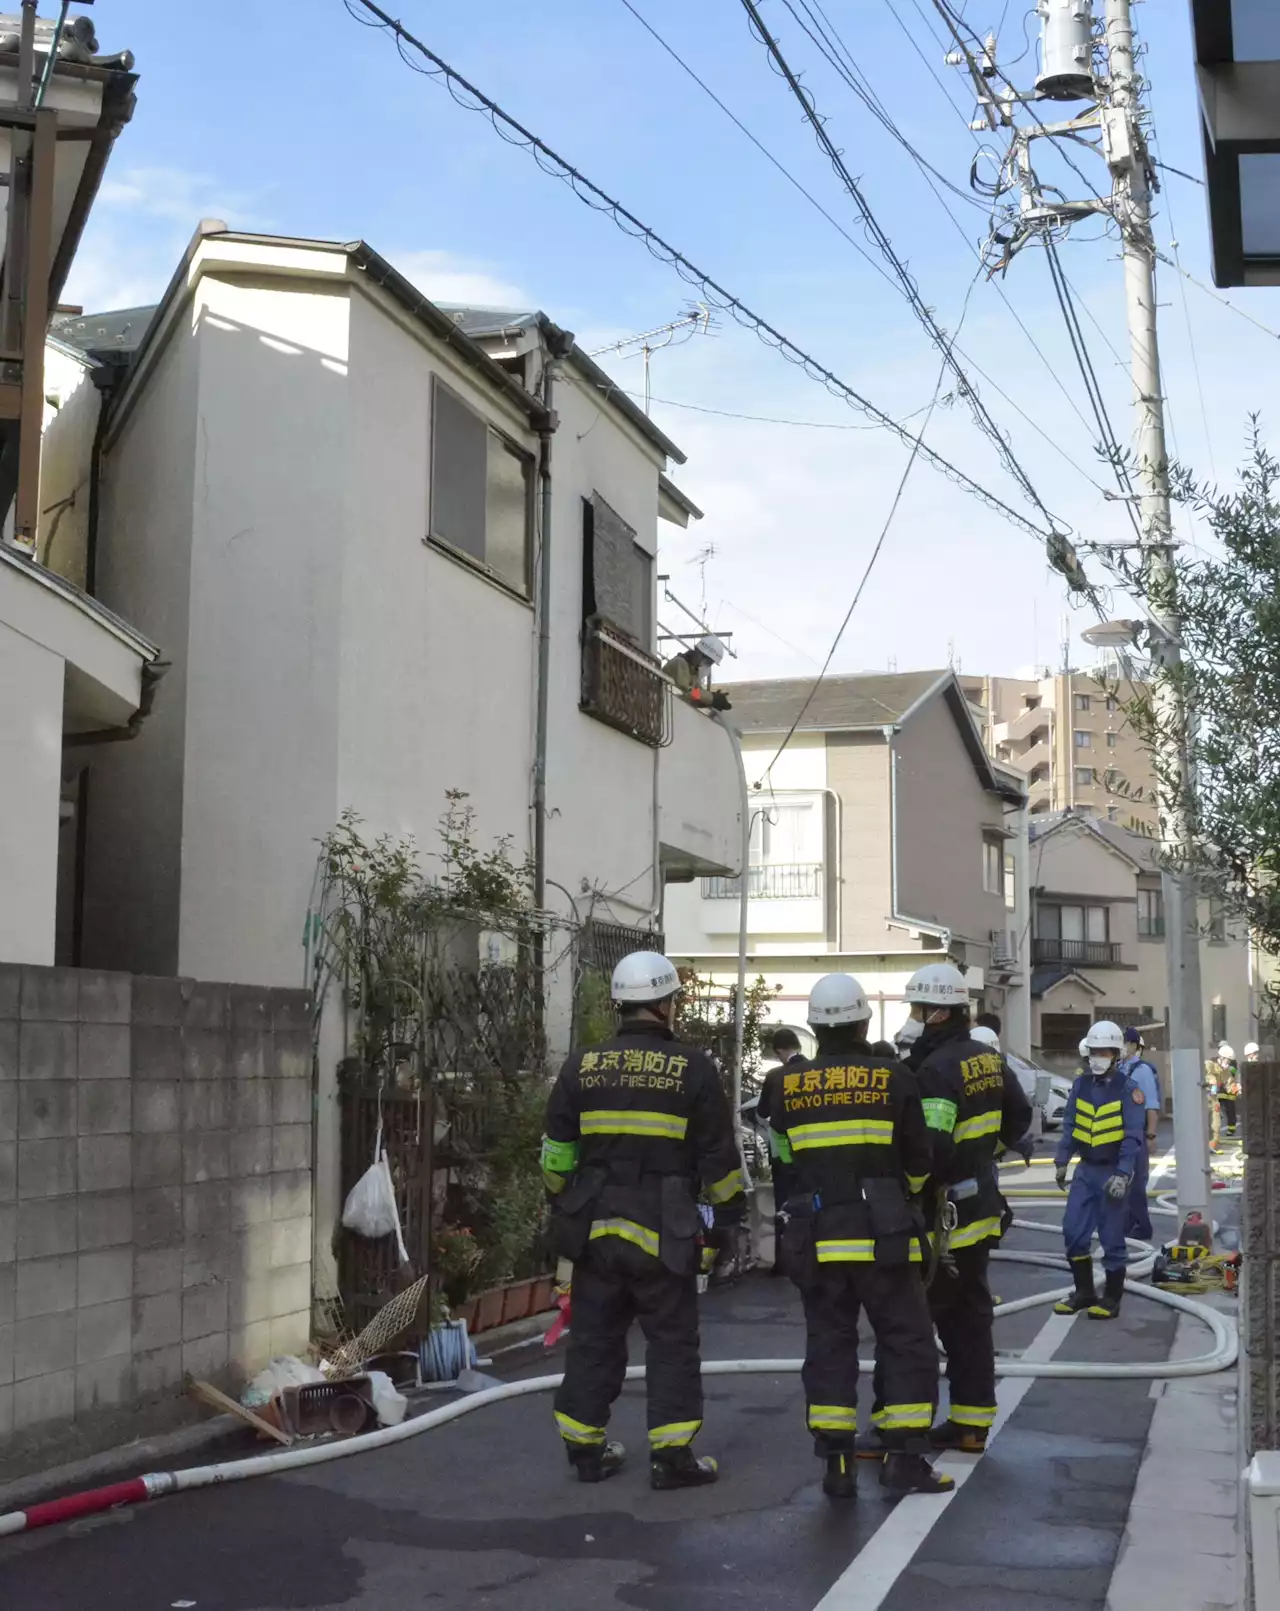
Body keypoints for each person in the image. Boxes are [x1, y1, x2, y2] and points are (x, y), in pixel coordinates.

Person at [541, 950, 745, 1489]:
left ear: (621, 1005)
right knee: (672, 1341)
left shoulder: (581, 1065)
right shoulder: (694, 1069)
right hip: (664, 1229)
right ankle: (671, 1458)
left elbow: (556, 1158)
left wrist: (569, 1201)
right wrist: (727, 1221)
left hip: (596, 1230)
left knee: (593, 1339)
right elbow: (718, 1160)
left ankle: (585, 1449)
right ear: (664, 1005)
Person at [769, 973, 952, 1500]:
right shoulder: (893, 1077)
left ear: (812, 1028)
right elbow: (920, 1163)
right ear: (863, 1022)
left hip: (817, 1235)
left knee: (829, 1345)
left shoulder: (784, 1086)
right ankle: (905, 1460)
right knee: (906, 1341)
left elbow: (786, 1165)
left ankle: (837, 1467)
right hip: (884, 1237)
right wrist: (898, 1195)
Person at [901, 962, 1033, 1455]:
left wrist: (910, 1191)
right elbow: (1017, 1118)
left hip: (943, 1219)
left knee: (923, 1323)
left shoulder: (935, 1069)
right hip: (980, 1208)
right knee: (972, 1320)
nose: (913, 1018)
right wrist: (984, 1159)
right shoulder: (986, 1057)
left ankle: (910, 1429)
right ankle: (972, 1423)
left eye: (917, 1009)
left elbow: (930, 1151)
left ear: (936, 1012)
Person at [1053, 1020, 1146, 1320]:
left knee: (1111, 1238)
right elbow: (1070, 1125)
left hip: (1111, 1172)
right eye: (1093, 1050)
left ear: (1116, 1054)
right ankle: (1084, 1292)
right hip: (1085, 1171)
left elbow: (1133, 1136)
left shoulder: (1129, 1089)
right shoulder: (1080, 1084)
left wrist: (1123, 1173)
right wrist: (1061, 1160)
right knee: (1073, 1231)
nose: (1097, 1056)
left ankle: (1112, 1299)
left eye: (1104, 1051)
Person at [756, 1028, 806, 1273]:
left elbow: (762, 1112)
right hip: (811, 1154)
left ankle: (783, 1262)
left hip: (781, 1155)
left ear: (778, 1051)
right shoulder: (816, 1071)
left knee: (783, 1207)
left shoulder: (775, 1076)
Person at [1118, 1028, 1161, 1241]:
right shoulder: (1120, 1067)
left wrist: (1151, 1136)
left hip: (1137, 1133)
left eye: (1124, 1042)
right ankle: (1126, 1225)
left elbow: (1150, 1106)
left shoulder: (1141, 1070)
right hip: (1120, 1134)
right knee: (1123, 1180)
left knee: (1136, 1183)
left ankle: (1143, 1226)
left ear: (1134, 1045)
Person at [661, 635, 731, 711]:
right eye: (708, 662)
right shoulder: (679, 663)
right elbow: (688, 692)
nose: (707, 666)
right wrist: (712, 698)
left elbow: (697, 695)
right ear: (700, 654)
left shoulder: (693, 673)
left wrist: (713, 701)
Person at [1216, 1043, 1240, 1136]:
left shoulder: (1232, 1062)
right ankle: (1218, 1128)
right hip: (1221, 1088)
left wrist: (1225, 1068)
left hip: (1230, 1088)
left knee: (1230, 1109)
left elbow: (1233, 1072)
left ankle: (1231, 1129)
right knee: (1219, 1109)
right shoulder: (1217, 1062)